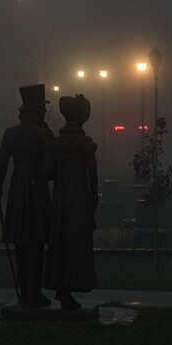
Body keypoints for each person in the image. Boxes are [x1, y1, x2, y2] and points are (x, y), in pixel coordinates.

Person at [0, 84, 54, 308]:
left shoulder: (11, 133)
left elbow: (1, 166)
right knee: (35, 243)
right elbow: (49, 170)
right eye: (43, 108)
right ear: (37, 109)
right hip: (36, 191)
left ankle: (25, 293)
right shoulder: (44, 134)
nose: (46, 112)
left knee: (20, 243)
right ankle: (33, 293)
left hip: (17, 190)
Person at [43, 93, 99, 309]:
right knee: (76, 243)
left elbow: (46, 172)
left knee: (60, 243)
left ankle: (61, 287)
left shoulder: (56, 144)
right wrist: (93, 200)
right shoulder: (85, 144)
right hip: (79, 201)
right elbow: (92, 176)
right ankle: (70, 287)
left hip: (60, 201)